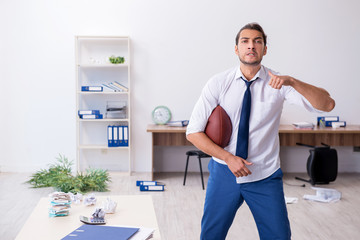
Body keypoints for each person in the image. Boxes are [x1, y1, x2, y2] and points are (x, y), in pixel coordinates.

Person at [186, 22, 335, 240]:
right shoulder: (218, 83)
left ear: (265, 49)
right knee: (211, 236)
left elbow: (327, 104)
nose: (251, 46)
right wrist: (228, 158)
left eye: (258, 41)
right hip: (224, 174)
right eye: (245, 41)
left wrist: (292, 81)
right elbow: (193, 132)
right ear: (236, 49)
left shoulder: (279, 82)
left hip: (265, 174)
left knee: (279, 237)